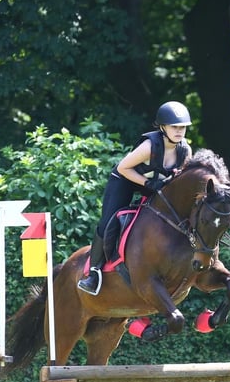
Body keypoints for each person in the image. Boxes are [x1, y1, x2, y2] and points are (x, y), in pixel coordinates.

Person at [77, 100, 194, 295]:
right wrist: (148, 184)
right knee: (107, 222)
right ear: (162, 127)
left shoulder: (185, 150)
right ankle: (94, 272)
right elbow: (123, 168)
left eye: (183, 127)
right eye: (175, 127)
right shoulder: (150, 146)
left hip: (154, 185)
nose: (179, 131)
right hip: (126, 180)